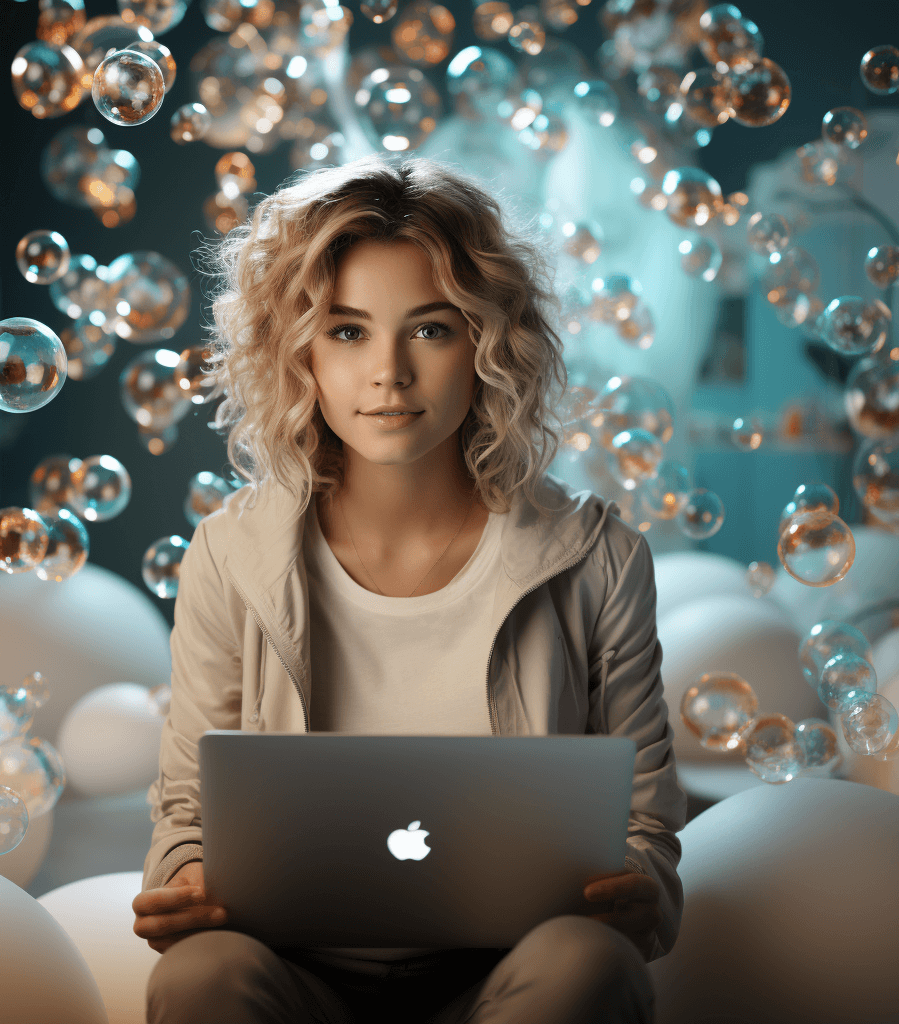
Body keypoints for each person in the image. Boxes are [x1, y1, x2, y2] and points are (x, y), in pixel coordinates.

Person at [132, 153, 688, 1024]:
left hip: (512, 974)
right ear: (298, 351)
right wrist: (185, 882)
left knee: (587, 960)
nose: (388, 372)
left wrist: (639, 891)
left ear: (490, 345)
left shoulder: (599, 558)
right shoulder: (228, 556)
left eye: (431, 328)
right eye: (347, 330)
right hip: (294, 974)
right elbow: (188, 814)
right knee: (198, 979)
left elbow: (646, 833)